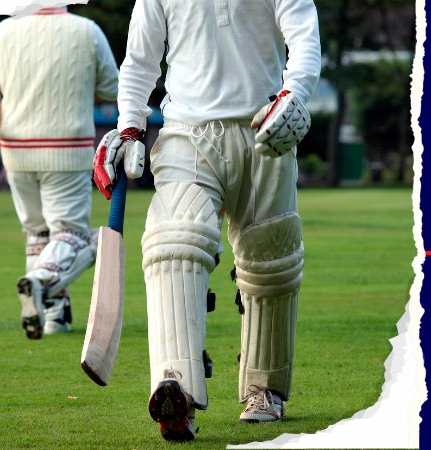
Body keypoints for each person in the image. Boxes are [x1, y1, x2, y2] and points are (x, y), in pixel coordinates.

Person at [93, 0, 320, 441]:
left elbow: (304, 39)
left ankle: (265, 390)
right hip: (186, 133)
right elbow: (140, 60)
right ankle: (175, 383)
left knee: (269, 264)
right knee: (174, 244)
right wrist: (129, 127)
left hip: (264, 125)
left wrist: (295, 94)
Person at [0, 6, 120, 339]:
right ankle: (41, 282)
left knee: (38, 234)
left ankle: (54, 319)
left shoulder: (0, 33)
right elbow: (113, 88)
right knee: (73, 236)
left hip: (15, 152)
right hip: (67, 148)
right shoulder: (87, 31)